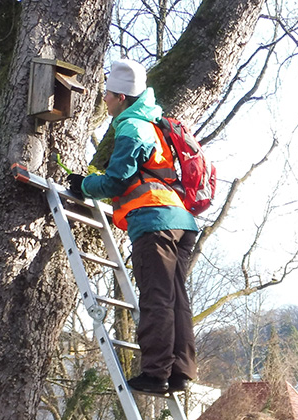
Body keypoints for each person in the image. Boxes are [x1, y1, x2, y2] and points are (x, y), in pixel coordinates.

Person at [68, 58, 199, 396]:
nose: (105, 100)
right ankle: (181, 373)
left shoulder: (131, 127)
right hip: (181, 222)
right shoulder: (156, 124)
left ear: (122, 97)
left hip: (153, 222)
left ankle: (155, 374)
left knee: (156, 297)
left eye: (108, 94)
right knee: (176, 299)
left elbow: (115, 182)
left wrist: (84, 185)